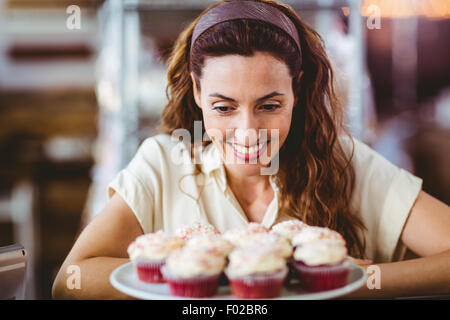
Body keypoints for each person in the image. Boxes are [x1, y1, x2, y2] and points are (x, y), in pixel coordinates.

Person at [52, 0, 450, 299]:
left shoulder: (345, 161)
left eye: (269, 106)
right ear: (196, 91)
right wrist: (203, 276)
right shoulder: (163, 163)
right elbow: (69, 281)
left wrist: (359, 282)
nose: (248, 132)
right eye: (224, 108)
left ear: (297, 89)